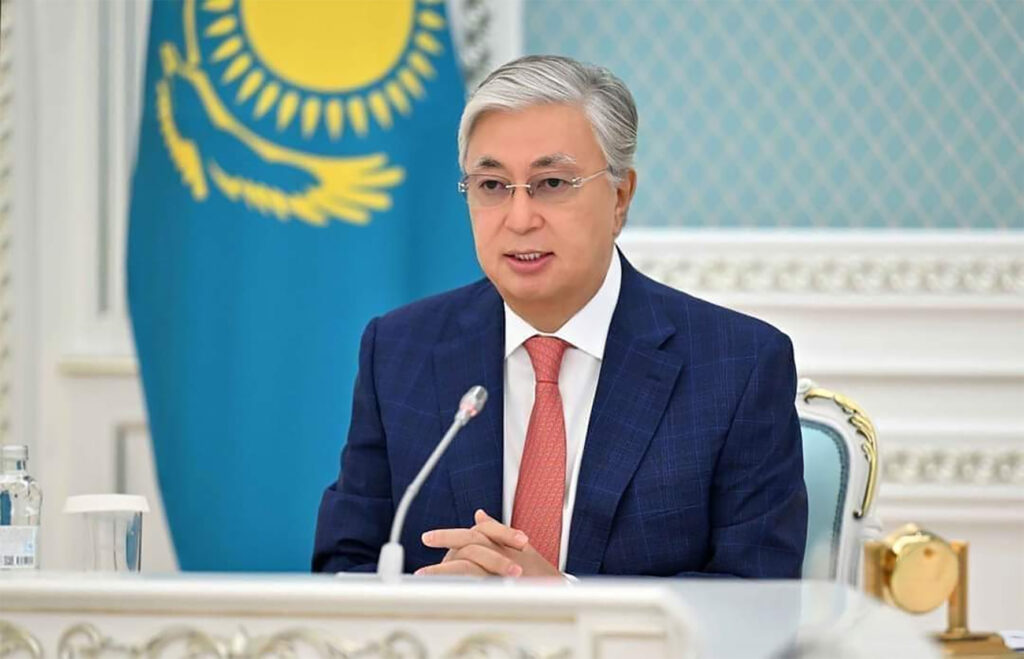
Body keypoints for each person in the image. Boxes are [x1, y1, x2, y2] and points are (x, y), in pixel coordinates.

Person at [312, 55, 807, 578]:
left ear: (620, 198)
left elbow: (757, 598)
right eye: (492, 186)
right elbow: (343, 566)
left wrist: (559, 601)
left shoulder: (738, 367)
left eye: (551, 183)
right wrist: (432, 604)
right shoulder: (399, 350)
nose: (520, 219)